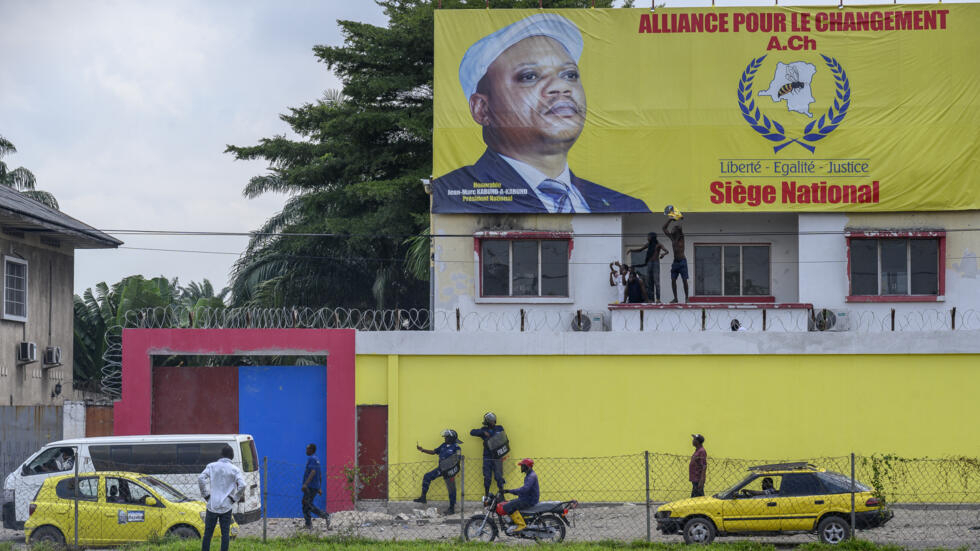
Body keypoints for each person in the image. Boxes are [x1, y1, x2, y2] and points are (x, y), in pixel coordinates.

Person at [432, 13, 649, 214]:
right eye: (530, 76)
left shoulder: (626, 206)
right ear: (482, 109)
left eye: (570, 74)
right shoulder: (455, 194)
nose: (561, 87)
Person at [198, 445, 245, 551]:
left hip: (212, 504)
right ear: (232, 456)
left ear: (221, 455)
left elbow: (201, 478)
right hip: (226, 506)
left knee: (207, 534)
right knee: (225, 534)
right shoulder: (235, 469)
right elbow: (243, 485)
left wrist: (206, 494)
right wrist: (234, 498)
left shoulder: (211, 466)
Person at [414, 429, 462, 515]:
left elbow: (458, 459)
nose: (445, 438)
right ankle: (423, 497)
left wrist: (453, 471)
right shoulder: (443, 445)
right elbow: (434, 452)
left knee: (451, 489)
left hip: (449, 471)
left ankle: (451, 508)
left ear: (451, 438)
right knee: (427, 476)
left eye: (446, 437)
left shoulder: (456, 447)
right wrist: (422, 450)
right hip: (441, 469)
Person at [470, 412, 506, 499]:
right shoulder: (484, 429)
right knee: (487, 478)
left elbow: (502, 438)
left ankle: (502, 496)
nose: (493, 422)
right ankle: (486, 495)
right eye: (491, 421)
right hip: (487, 457)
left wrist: (490, 435)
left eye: (494, 421)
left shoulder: (499, 428)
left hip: (497, 456)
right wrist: (483, 432)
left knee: (499, 477)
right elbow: (472, 432)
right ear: (488, 422)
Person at [627, 233, 669, 302]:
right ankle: (651, 299)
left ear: (652, 237)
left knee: (656, 282)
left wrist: (663, 255)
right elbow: (640, 250)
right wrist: (631, 250)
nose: (647, 238)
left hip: (655, 263)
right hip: (649, 263)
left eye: (648, 236)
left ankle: (658, 299)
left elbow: (667, 251)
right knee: (650, 282)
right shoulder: (648, 245)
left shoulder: (658, 244)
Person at [501, 458, 539, 533]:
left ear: (527, 466)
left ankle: (521, 525)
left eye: (522, 466)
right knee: (509, 503)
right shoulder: (529, 475)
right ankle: (515, 522)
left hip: (530, 500)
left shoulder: (531, 476)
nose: (521, 467)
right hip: (528, 498)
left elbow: (525, 489)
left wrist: (510, 491)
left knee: (507, 506)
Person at [301, 443, 331, 529]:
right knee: (305, 503)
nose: (306, 451)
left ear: (311, 450)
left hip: (310, 486)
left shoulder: (312, 458)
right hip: (314, 486)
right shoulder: (316, 459)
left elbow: (313, 472)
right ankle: (308, 524)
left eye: (307, 449)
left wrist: (305, 484)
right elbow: (320, 474)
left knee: (308, 504)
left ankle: (325, 516)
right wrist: (319, 487)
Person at [664, 218, 689, 303]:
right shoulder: (672, 238)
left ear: (677, 231)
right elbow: (664, 228)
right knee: (673, 280)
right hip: (675, 262)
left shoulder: (681, 237)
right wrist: (670, 219)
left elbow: (680, 227)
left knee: (684, 280)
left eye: (674, 228)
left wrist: (679, 219)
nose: (672, 229)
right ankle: (675, 298)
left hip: (682, 261)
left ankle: (687, 298)